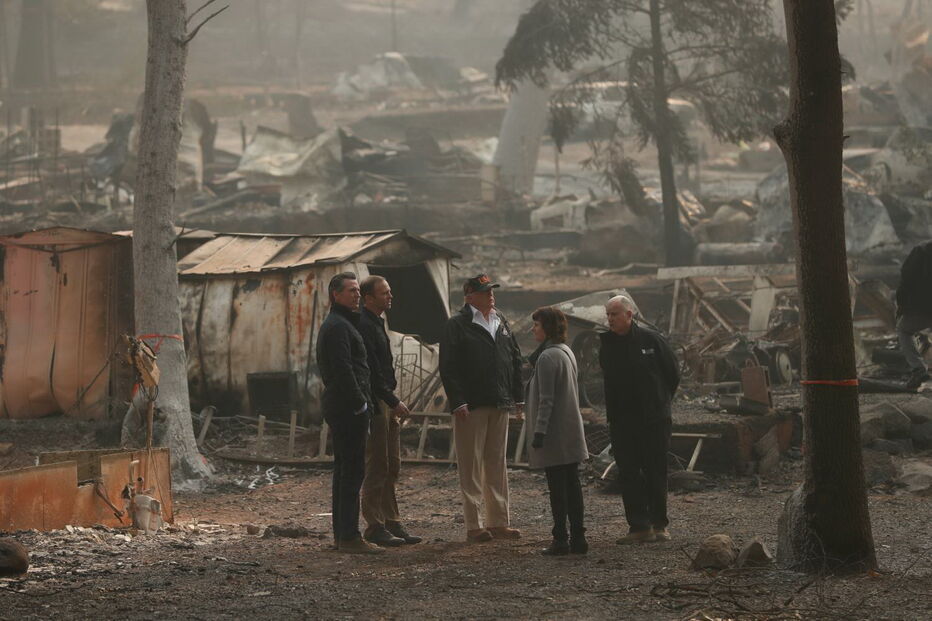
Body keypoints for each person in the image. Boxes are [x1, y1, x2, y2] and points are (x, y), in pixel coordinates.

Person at [439, 273, 524, 543]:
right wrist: (458, 400)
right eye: (485, 291)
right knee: (471, 464)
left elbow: (515, 360)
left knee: (496, 463)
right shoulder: (457, 325)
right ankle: (474, 524)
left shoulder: (501, 322)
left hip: (499, 401)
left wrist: (517, 396)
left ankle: (499, 521)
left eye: (491, 290)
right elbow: (449, 366)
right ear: (469, 295)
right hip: (471, 404)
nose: (491, 295)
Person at [599, 295, 679, 544]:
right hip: (622, 422)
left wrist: (659, 403)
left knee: (656, 470)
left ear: (629, 315)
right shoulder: (607, 344)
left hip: (654, 419)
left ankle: (659, 524)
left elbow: (673, 374)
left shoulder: (651, 340)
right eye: (608, 315)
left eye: (615, 314)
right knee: (629, 473)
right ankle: (639, 526)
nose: (610, 319)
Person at [316, 272, 381, 555]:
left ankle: (343, 535)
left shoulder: (341, 323)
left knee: (345, 472)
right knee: (351, 472)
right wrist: (360, 404)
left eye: (357, 290)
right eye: (351, 291)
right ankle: (349, 536)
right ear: (335, 295)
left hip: (345, 407)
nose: (357, 295)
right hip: (347, 409)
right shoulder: (338, 327)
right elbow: (344, 370)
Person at [358, 275, 422, 547]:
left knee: (391, 464)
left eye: (389, 291)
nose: (390, 296)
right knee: (377, 465)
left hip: (386, 400)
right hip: (376, 402)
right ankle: (375, 525)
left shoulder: (377, 323)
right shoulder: (363, 325)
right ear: (368, 298)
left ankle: (391, 520)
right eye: (384, 293)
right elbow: (370, 372)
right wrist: (391, 399)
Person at [525, 306, 589, 556]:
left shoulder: (548, 357)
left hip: (555, 433)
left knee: (558, 489)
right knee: (572, 486)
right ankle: (578, 537)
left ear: (548, 328)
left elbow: (546, 400)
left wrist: (539, 433)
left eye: (537, 325)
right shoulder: (566, 352)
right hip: (570, 431)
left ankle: (561, 538)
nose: (533, 329)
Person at [896, 241, 932, 390]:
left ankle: (918, 368)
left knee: (904, 329)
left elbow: (906, 279)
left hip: (921, 308)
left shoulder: (920, 251)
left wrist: (902, 306)